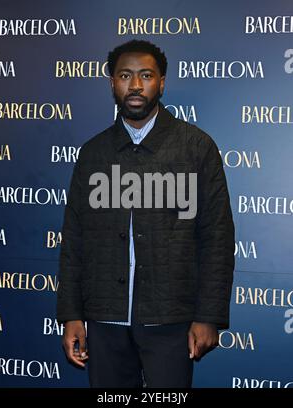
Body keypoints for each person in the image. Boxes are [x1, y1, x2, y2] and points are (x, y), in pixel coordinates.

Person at [56, 39, 235, 388]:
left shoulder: (196, 148)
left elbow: (217, 237)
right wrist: (71, 315)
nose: (135, 85)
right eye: (125, 75)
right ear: (112, 82)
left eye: (146, 76)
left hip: (171, 320)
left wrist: (208, 316)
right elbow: (74, 240)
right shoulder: (93, 154)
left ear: (162, 82)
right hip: (105, 321)